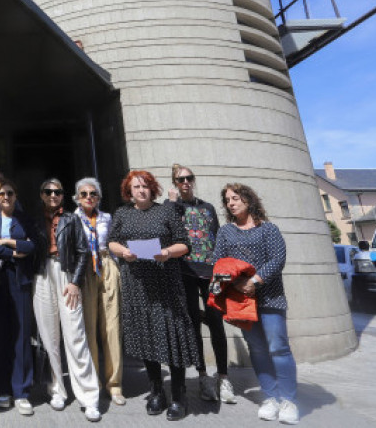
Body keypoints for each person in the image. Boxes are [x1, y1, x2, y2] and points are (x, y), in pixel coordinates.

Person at [108, 170, 198, 421]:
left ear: (153, 188)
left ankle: (179, 396)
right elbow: (112, 242)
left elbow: (184, 243)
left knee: (172, 338)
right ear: (129, 191)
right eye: (136, 187)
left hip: (166, 283)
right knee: (147, 337)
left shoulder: (166, 211)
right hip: (137, 285)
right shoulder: (122, 214)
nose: (141, 190)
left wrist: (167, 252)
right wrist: (123, 252)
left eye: (145, 185)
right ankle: (157, 391)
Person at [214, 184, 298, 425]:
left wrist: (255, 280)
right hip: (241, 301)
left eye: (235, 198)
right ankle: (270, 398)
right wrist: (235, 284)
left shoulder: (268, 229)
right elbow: (218, 262)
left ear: (248, 201)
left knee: (278, 348)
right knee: (258, 350)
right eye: (227, 200)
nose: (231, 203)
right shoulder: (225, 232)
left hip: (270, 298)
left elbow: (277, 258)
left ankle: (288, 400)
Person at [31, 178, 102, 422]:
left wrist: (75, 282)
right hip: (42, 276)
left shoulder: (72, 219)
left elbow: (83, 252)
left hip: (66, 275)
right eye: (48, 191)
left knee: (75, 336)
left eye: (57, 192)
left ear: (63, 195)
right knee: (49, 337)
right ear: (41, 194)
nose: (53, 195)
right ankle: (57, 389)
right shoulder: (35, 220)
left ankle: (89, 396)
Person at [167, 164, 235, 404]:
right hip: (185, 272)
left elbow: (217, 239)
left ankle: (224, 377)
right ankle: (204, 376)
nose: (185, 182)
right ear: (174, 183)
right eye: (180, 179)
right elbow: (165, 227)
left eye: (188, 178)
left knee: (216, 322)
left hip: (210, 273)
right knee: (193, 322)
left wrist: (222, 273)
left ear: (193, 180)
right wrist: (171, 202)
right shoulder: (172, 208)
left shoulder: (207, 208)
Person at [0, 179, 38, 415]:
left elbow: (33, 245)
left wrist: (5, 242)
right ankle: (3, 390)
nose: (6, 197)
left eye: (10, 193)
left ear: (16, 196)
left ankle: (22, 391)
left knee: (22, 334)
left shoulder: (24, 219)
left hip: (19, 281)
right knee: (0, 335)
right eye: (1, 194)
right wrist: (14, 252)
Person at [73, 177, 125, 406]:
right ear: (76, 197)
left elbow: (114, 243)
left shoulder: (107, 218)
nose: (88, 197)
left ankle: (114, 385)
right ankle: (92, 382)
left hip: (107, 265)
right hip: (84, 270)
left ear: (99, 197)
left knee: (112, 327)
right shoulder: (72, 219)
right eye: (83, 194)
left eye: (93, 194)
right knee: (89, 328)